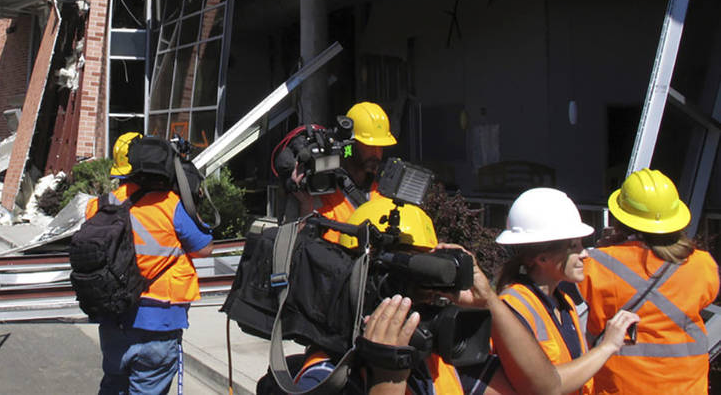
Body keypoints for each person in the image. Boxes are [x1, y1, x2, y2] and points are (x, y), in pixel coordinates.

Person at [271, 197, 563, 395]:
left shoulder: (439, 358)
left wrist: (489, 300)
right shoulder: (327, 372)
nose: (428, 294)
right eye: (411, 278)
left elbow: (545, 387)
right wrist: (388, 377)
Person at [85, 136, 213, 395]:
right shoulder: (171, 206)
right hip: (160, 321)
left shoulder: (100, 205)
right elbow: (204, 248)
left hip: (114, 319)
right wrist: (189, 200)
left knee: (113, 385)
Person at [578, 168, 719, 395]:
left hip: (619, 389)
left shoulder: (595, 264)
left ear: (620, 219)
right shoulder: (703, 264)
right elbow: (702, 300)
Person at [495, 188, 639, 395]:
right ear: (542, 258)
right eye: (574, 246)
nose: (585, 254)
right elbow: (546, 385)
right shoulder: (514, 306)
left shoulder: (564, 302)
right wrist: (607, 346)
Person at [282, 102, 397, 242]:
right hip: (331, 260)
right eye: (370, 146)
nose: (376, 153)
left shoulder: (382, 191)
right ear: (350, 144)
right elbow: (297, 247)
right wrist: (306, 205)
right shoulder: (319, 186)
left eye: (380, 147)